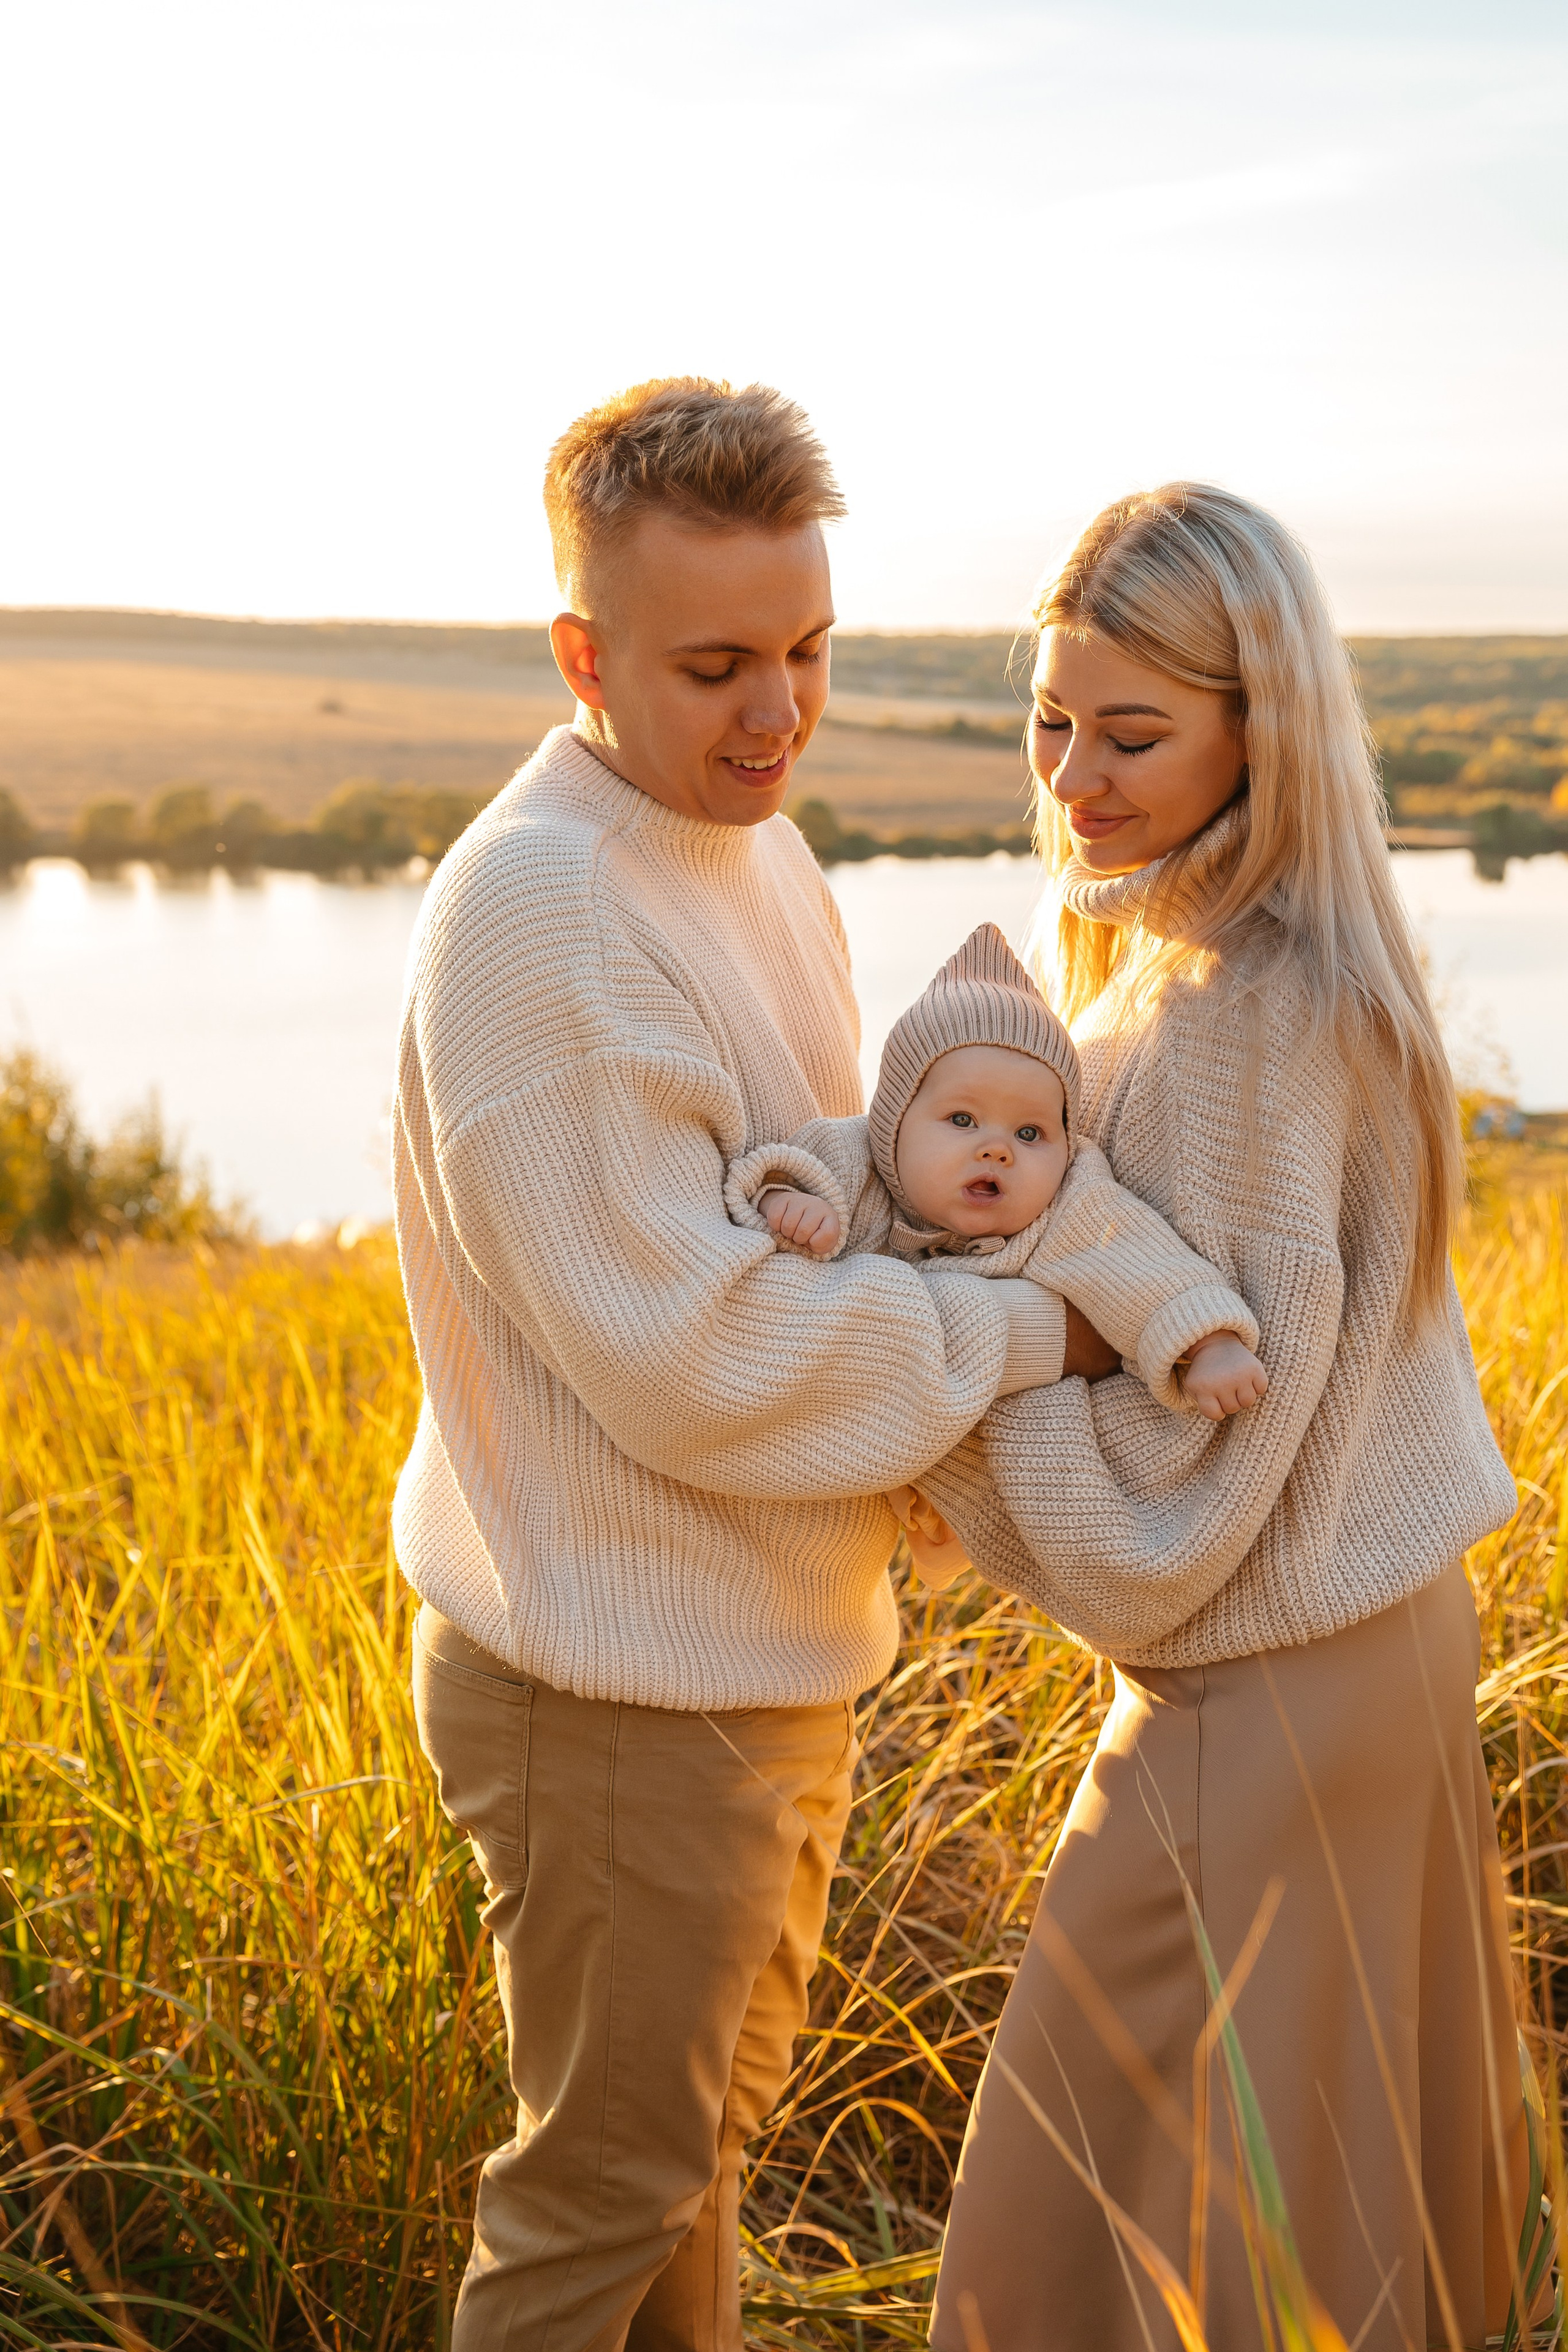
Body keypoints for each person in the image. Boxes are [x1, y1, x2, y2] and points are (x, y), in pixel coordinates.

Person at [390, 376, 1076, 2352]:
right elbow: (693, 1355)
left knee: (689, 2175)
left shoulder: (744, 848)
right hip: (617, 1686)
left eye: (807, 651)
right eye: (714, 666)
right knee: (602, 2204)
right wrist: (1036, 1332)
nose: (777, 712)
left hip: (747, 1652)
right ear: (583, 657)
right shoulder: (547, 913)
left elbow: (838, 1202)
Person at [909, 484, 1528, 2352]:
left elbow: (1199, 1478)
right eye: (1049, 722)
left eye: (1130, 730)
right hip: (1367, 1649)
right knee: (1305, 2189)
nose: (1074, 775)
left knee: (1072, 2233)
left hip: (1259, 1678)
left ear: (1256, 722)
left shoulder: (1242, 1011)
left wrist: (947, 1397)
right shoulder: (1235, 962)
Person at [722, 920, 1268, 1585]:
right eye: (960, 1121)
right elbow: (770, 1177)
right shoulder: (852, 1158)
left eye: (1031, 1132)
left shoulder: (1069, 1203)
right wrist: (786, 1201)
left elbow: (1141, 1260)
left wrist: (1209, 1340)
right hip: (854, 1424)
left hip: (981, 1442)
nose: (996, 1148)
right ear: (893, 1123)